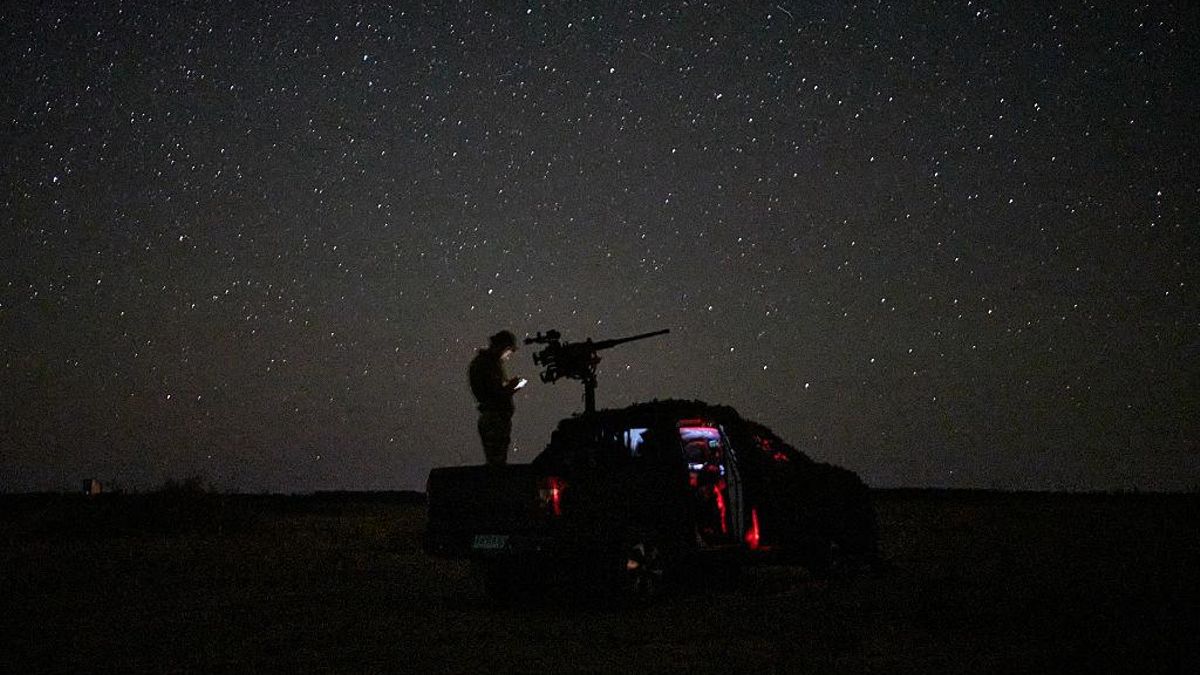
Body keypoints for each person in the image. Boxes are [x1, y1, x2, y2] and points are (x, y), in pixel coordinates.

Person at [468, 330, 525, 465]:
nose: (509, 356)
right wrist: (511, 387)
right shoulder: (487, 364)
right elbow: (494, 393)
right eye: (509, 351)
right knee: (497, 462)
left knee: (496, 460)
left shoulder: (486, 363)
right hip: (495, 418)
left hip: (495, 417)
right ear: (503, 348)